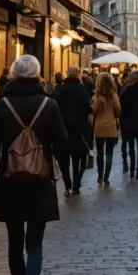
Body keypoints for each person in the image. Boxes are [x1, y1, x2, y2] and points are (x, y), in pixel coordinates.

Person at [0, 55, 68, 275]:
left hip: (10, 181)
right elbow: (61, 143)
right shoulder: (49, 105)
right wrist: (52, 161)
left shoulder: (1, 105)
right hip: (40, 180)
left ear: (14, 74)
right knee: (35, 242)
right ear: (38, 75)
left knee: (14, 240)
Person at [54, 66, 92, 195]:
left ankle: (67, 184)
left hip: (62, 129)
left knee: (64, 160)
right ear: (78, 75)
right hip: (79, 130)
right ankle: (76, 184)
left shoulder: (60, 90)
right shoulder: (82, 91)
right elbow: (87, 110)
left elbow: (55, 109)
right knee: (78, 158)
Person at [91, 72, 121, 185]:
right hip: (111, 126)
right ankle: (106, 177)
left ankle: (99, 175)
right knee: (109, 153)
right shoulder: (114, 95)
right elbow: (118, 109)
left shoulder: (97, 96)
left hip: (99, 127)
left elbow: (93, 111)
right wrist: (115, 115)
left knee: (99, 153)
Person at [120, 69, 138, 180]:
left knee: (131, 146)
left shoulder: (125, 91)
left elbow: (121, 107)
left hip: (127, 122)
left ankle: (131, 169)